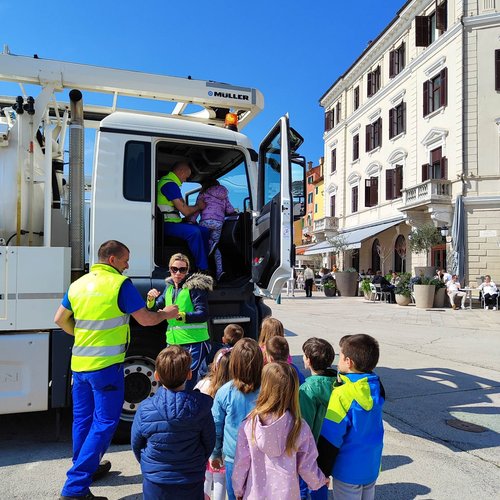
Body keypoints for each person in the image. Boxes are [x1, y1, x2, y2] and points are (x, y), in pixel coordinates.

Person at [54, 240, 179, 500]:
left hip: (80, 364)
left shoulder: (78, 284)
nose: (127, 265)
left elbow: (59, 319)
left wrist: (83, 336)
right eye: (125, 260)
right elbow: (146, 319)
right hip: (105, 367)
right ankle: (75, 487)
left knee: (83, 421)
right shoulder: (120, 284)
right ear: (112, 260)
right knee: (105, 423)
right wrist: (166, 314)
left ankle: (86, 466)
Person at [232, 362, 328, 500]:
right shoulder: (299, 426)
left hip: (255, 494)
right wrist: (319, 481)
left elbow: (241, 464)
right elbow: (307, 465)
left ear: (264, 387)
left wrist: (238, 490)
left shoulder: (249, 425)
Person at [131, 346, 215, 500]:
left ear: (156, 375)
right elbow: (209, 442)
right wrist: (196, 462)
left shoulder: (145, 408)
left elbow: (137, 444)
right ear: (189, 374)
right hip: (190, 477)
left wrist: (150, 465)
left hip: (156, 480)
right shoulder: (201, 406)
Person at [317, 334, 385, 500]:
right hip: (371, 466)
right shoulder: (376, 386)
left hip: (347, 471)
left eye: (340, 356)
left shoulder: (342, 394)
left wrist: (322, 470)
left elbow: (331, 437)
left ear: (349, 362)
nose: (338, 361)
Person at [147, 253, 212, 390]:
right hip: (173, 342)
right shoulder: (169, 287)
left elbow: (203, 314)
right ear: (169, 269)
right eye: (174, 269)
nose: (178, 273)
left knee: (188, 383)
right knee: (172, 380)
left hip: (193, 343)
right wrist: (150, 299)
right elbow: (156, 307)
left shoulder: (195, 288)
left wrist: (180, 316)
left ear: (187, 271)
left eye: (182, 270)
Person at [210, 338, 264, 500]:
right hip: (264, 457)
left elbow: (216, 426)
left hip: (234, 458)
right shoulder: (268, 389)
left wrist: (215, 454)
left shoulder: (225, 391)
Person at [299, 338, 337, 500]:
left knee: (305, 488)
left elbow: (304, 424)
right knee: (321, 484)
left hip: (311, 449)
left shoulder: (306, 390)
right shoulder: (338, 383)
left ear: (308, 360)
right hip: (331, 444)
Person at [157, 161, 210, 271]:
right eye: (186, 177)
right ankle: (202, 269)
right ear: (181, 172)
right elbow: (185, 210)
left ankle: (205, 262)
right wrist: (198, 206)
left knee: (204, 230)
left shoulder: (171, 184)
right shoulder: (169, 184)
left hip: (173, 222)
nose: (185, 180)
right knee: (195, 232)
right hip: (166, 224)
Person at [195, 348, 232, 500]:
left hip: (203, 438)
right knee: (220, 479)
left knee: (206, 475)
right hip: (224, 441)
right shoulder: (233, 389)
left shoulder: (203, 384)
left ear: (215, 366)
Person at [186, 179, 236, 281]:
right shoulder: (224, 196)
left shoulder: (203, 195)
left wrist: (191, 221)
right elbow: (230, 210)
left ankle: (201, 265)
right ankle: (219, 272)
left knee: (202, 244)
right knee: (216, 246)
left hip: (205, 222)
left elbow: (197, 210)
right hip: (218, 223)